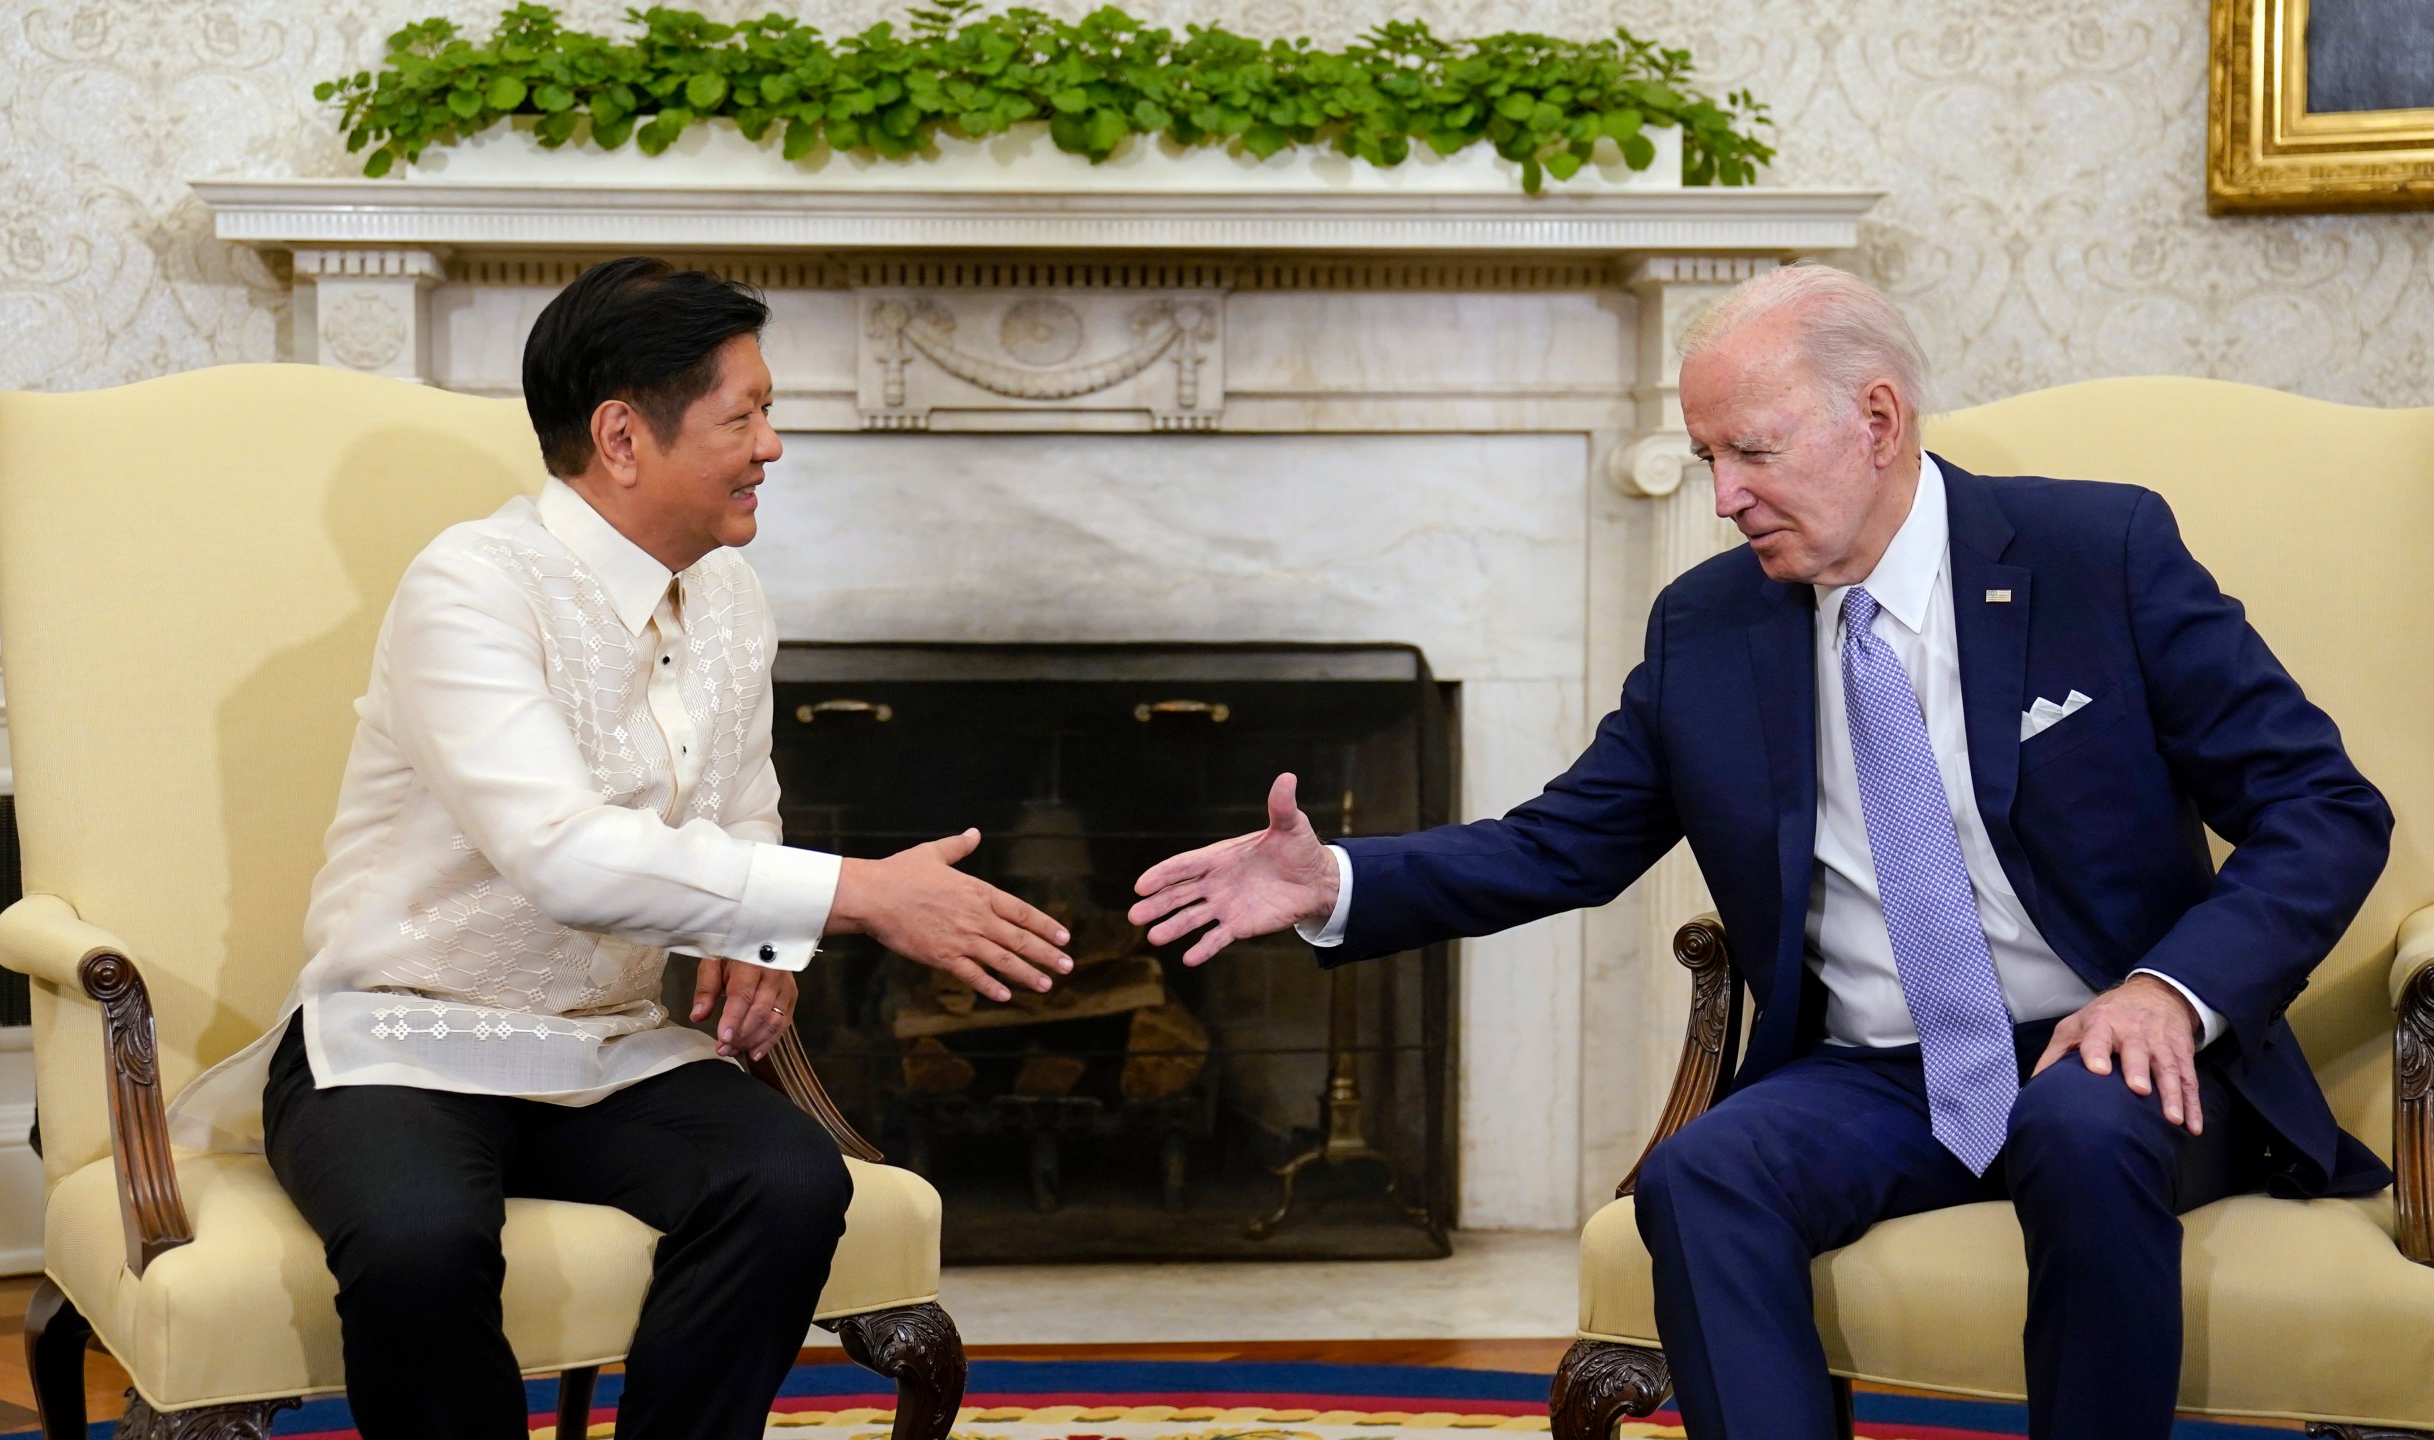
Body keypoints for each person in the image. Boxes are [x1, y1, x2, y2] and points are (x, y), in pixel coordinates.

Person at [1127, 263, 2393, 1440]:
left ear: (1879, 420)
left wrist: (2167, 993)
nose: (1722, 494)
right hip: (1884, 1074)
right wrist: (1334, 879)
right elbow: (1565, 841)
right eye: (1705, 456)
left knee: (2080, 1126)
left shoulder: (2096, 555)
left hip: (2112, 1045)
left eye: (1752, 450)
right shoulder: (1710, 623)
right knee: (1700, 1175)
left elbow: (2321, 806)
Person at [166, 256, 1075, 1439]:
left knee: (791, 1185)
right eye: (742, 415)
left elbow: (742, 801)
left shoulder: (732, 597)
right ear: (621, 436)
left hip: (608, 1053)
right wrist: (850, 895)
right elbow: (557, 851)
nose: (773, 446)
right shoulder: (470, 588)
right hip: (401, 1039)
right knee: (418, 1242)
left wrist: (763, 942)